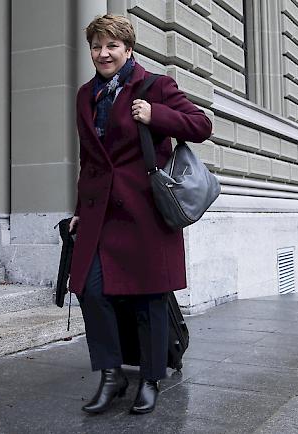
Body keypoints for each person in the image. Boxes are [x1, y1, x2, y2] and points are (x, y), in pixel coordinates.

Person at [67, 14, 212, 415]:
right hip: (99, 214)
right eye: (96, 46)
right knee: (90, 289)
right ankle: (111, 376)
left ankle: (150, 379)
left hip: (144, 212)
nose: (103, 53)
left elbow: (202, 125)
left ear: (128, 49)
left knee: (149, 298)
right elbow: (89, 161)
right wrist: (80, 210)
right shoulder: (85, 95)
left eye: (112, 46)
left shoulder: (155, 86)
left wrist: (156, 115)